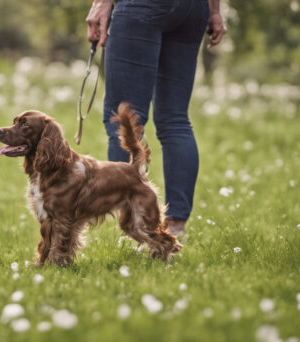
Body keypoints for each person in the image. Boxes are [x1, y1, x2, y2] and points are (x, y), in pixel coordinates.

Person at [86, 0, 226, 236]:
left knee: (124, 118)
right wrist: (214, 11)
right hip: (194, 8)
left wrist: (102, 2)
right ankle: (175, 226)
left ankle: (135, 224)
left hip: (142, 6)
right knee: (175, 120)